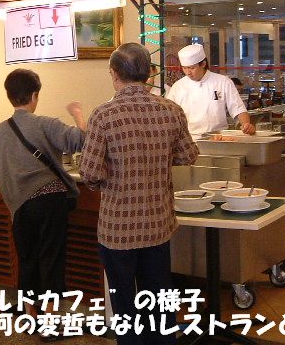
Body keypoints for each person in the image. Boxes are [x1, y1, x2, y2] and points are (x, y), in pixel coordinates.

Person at [79, 43, 199, 345]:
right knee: (159, 299)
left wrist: (112, 172)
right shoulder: (171, 110)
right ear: (148, 73)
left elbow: (90, 173)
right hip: (158, 224)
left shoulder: (104, 115)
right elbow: (188, 155)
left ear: (114, 73)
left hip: (118, 229)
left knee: (124, 304)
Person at [0, 69, 86, 337]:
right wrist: (78, 114)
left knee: (27, 259)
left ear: (9, 96)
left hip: (19, 205)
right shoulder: (45, 123)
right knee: (51, 259)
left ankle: (31, 317)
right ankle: (50, 323)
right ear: (34, 95)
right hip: (50, 199)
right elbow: (81, 140)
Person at [166, 44, 255, 139]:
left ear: (203, 64)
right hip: (188, 139)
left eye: (192, 68)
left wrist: (246, 124)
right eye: (184, 68)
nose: (188, 72)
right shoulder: (178, 87)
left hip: (217, 138)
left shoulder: (223, 82)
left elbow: (238, 109)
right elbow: (169, 114)